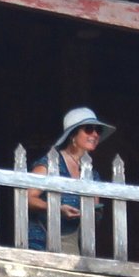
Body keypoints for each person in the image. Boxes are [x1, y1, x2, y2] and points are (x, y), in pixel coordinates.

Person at [30, 107, 111, 251]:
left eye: (97, 130)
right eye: (88, 129)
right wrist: (57, 209)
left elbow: (95, 211)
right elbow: (28, 198)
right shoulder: (50, 164)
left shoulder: (92, 174)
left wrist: (92, 213)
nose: (94, 134)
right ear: (73, 135)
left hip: (71, 241)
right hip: (41, 241)